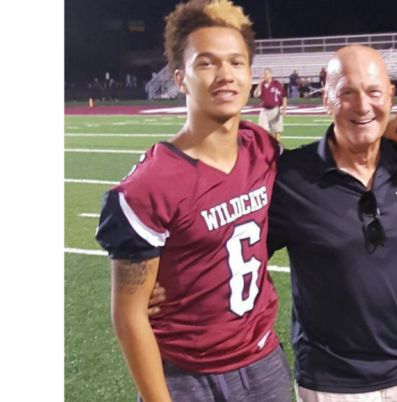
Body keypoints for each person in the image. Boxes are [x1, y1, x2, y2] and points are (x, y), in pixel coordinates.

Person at [94, 1, 292, 402]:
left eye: (236, 62)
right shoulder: (149, 185)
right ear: (180, 78)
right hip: (187, 376)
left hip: (263, 359)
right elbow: (130, 312)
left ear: (250, 74)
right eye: (207, 63)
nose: (225, 75)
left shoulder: (262, 147)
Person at [267, 44, 397, 402]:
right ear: (326, 98)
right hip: (331, 383)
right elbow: (240, 253)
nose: (362, 106)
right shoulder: (290, 179)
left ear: (390, 97)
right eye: (347, 93)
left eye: (374, 92)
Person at [254, 68, 287, 142]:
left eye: (266, 74)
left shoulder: (276, 84)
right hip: (265, 110)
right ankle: (267, 147)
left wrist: (284, 108)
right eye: (263, 74)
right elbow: (256, 95)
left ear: (270, 74)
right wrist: (259, 84)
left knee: (277, 131)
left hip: (275, 109)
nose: (264, 75)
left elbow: (284, 96)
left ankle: (277, 148)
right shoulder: (262, 84)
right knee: (263, 131)